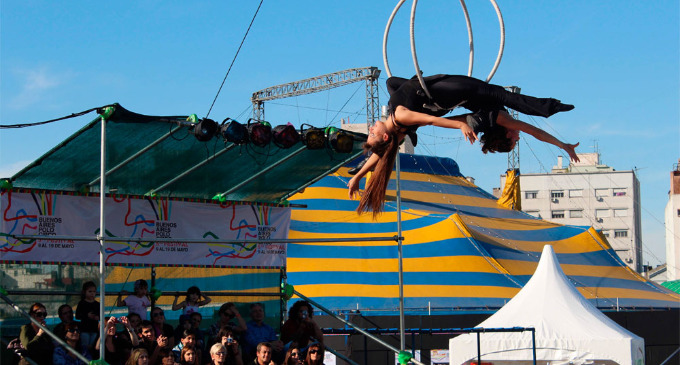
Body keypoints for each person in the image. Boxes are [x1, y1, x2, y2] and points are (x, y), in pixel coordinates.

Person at [347, 74, 579, 216]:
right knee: (506, 97)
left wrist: (358, 177)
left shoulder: (397, 124)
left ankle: (549, 108)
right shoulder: (398, 123)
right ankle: (550, 107)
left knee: (392, 83)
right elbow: (535, 131)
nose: (370, 129)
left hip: (444, 97)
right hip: (449, 95)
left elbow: (382, 153)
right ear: (385, 136)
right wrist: (562, 145)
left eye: (370, 133)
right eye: (372, 133)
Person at [76, 280, 100, 347]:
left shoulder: (97, 304)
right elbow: (77, 316)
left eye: (94, 291)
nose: (92, 293)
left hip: (94, 329)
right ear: (84, 292)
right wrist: (87, 315)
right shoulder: (82, 303)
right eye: (90, 291)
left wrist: (97, 317)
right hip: (85, 329)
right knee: (85, 346)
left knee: (92, 346)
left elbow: (100, 315)